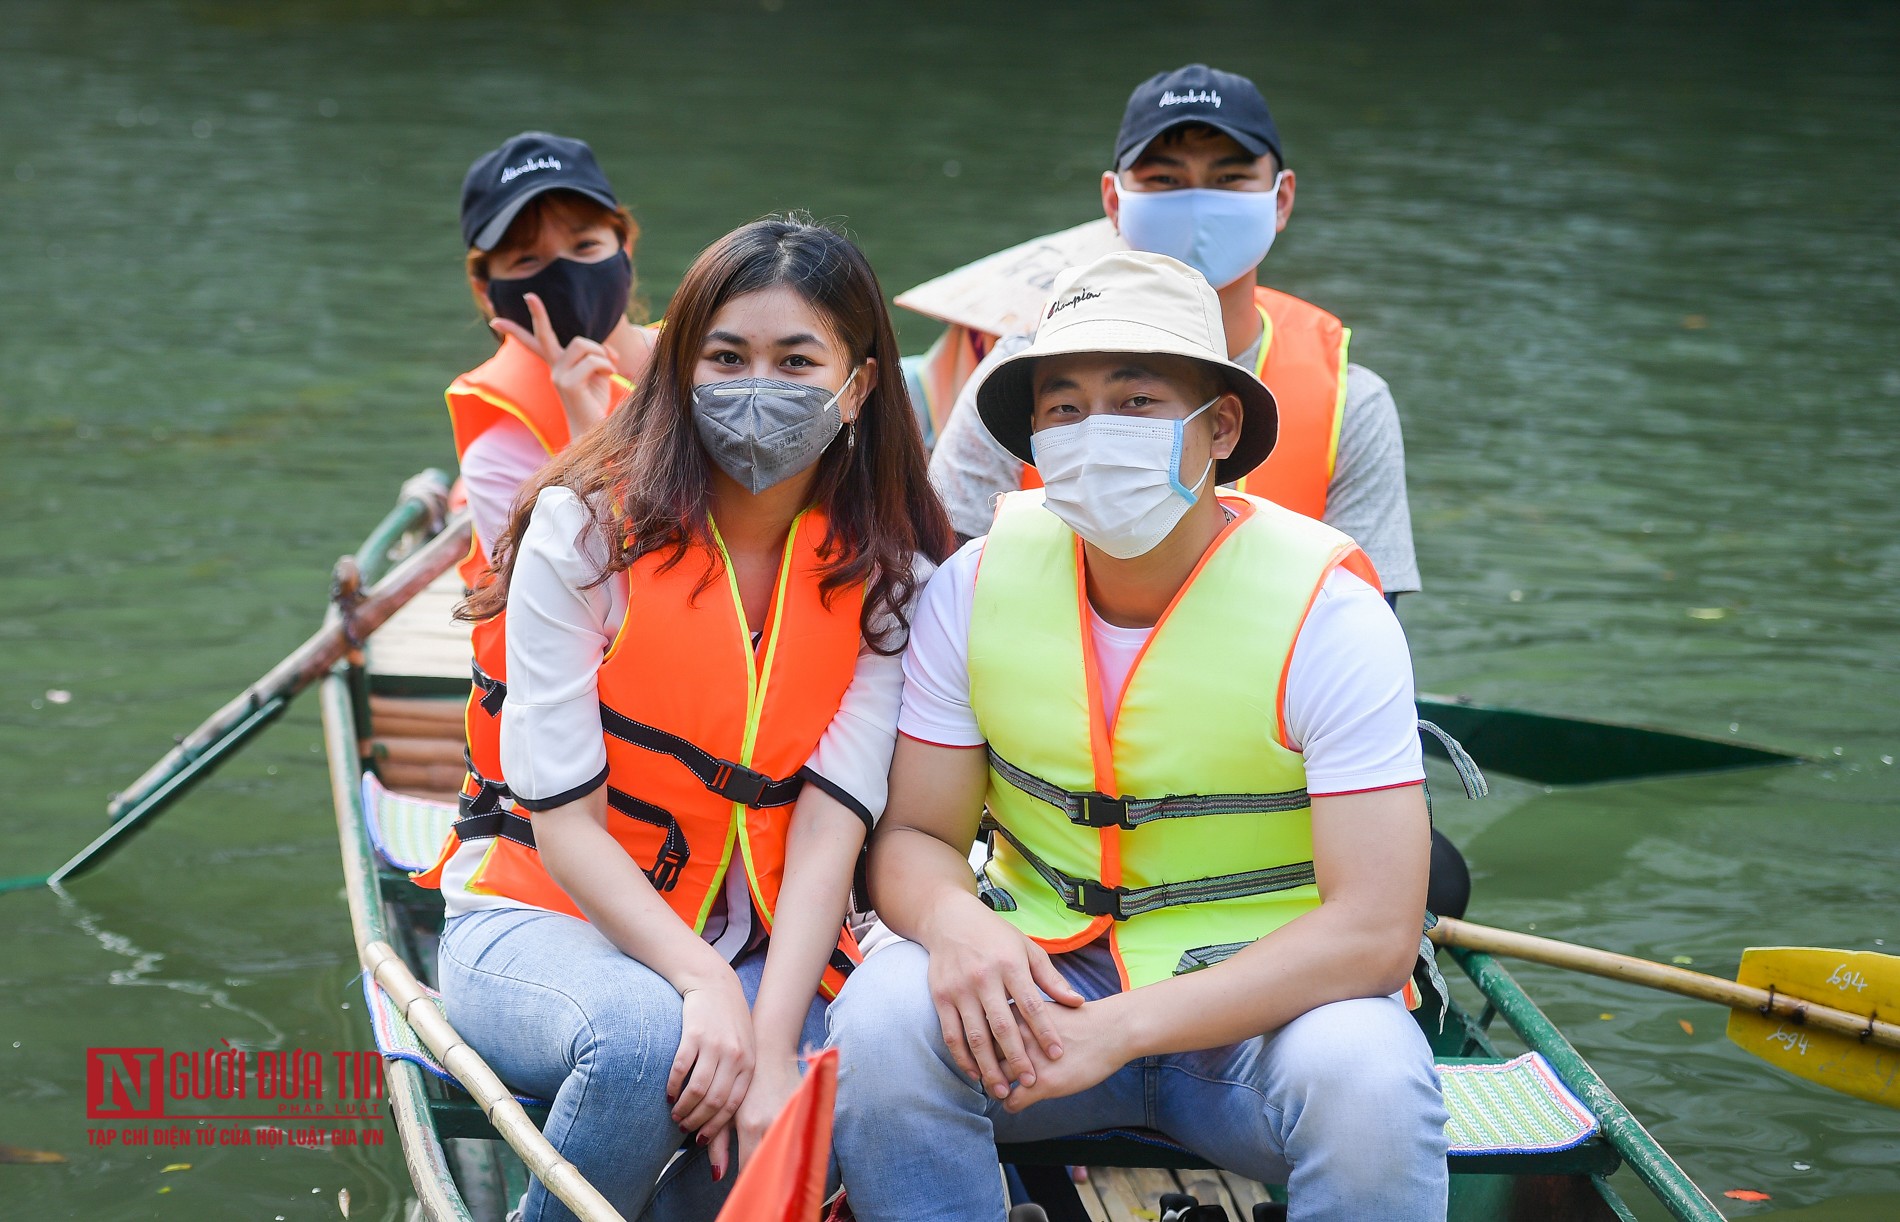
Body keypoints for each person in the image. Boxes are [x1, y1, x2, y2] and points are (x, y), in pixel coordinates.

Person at [829, 251, 1447, 1221]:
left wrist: (1121, 1029)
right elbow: (913, 841)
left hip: (1263, 1016)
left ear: (1221, 425)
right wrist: (958, 926)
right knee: (882, 1016)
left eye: (1136, 398)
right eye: (1063, 408)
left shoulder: (1331, 611)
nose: (1093, 432)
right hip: (1037, 991)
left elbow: (1374, 931)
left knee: (1371, 1079)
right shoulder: (974, 585)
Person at [412, 216, 955, 1222]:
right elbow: (565, 826)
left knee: (870, 1062)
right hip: (541, 915)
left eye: (797, 360)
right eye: (727, 356)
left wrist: (775, 1036)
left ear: (859, 384)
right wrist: (708, 985)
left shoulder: (893, 577)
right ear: (679, 369)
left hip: (763, 930)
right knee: (647, 1040)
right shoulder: (584, 530)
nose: (761, 384)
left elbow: (833, 822)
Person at [917, 64, 1420, 601]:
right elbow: (943, 579)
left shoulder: (1353, 403)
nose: (1198, 204)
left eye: (1229, 179)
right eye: (1164, 180)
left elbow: (1369, 618)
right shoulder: (1019, 374)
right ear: (1114, 201)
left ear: (1280, 199)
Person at [447, 130, 657, 590]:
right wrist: (588, 436)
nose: (564, 275)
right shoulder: (498, 453)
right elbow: (565, 603)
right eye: (527, 259)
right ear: (486, 289)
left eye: (584, 247)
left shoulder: (710, 367)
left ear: (625, 246)